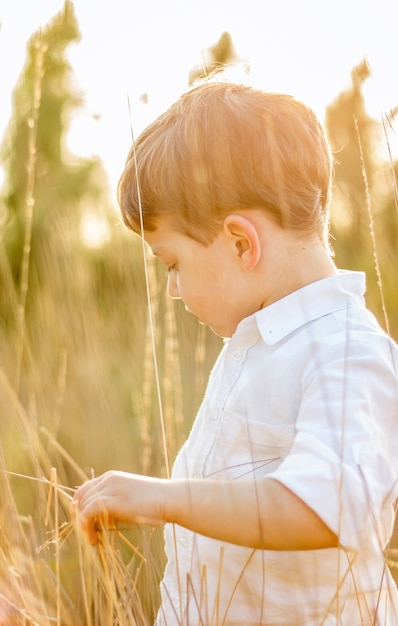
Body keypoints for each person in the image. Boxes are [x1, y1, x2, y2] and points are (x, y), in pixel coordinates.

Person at [71, 72, 398, 625]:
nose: (172, 289)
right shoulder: (258, 344)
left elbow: (320, 506)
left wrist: (160, 499)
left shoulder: (347, 353)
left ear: (242, 242)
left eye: (173, 264)